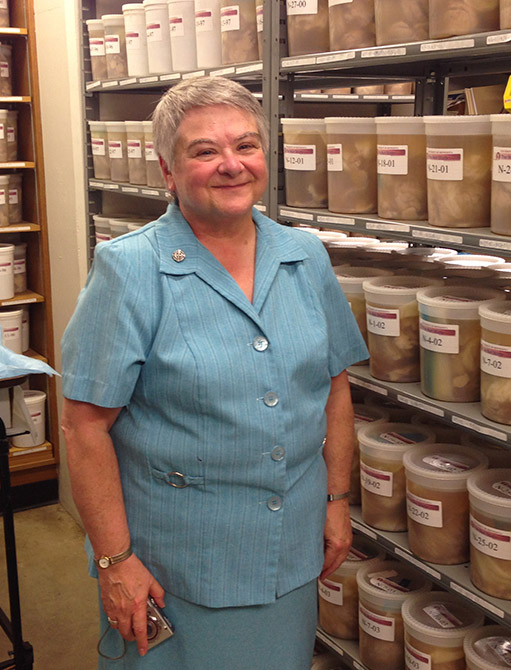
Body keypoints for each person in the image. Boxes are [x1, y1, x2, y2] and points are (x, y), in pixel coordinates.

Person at [60, 76, 368, 669]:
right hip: (178, 561)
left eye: (246, 146)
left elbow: (333, 385)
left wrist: (335, 499)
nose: (232, 165)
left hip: (290, 542)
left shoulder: (305, 255)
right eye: (205, 151)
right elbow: (84, 427)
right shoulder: (130, 270)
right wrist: (115, 560)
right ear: (168, 171)